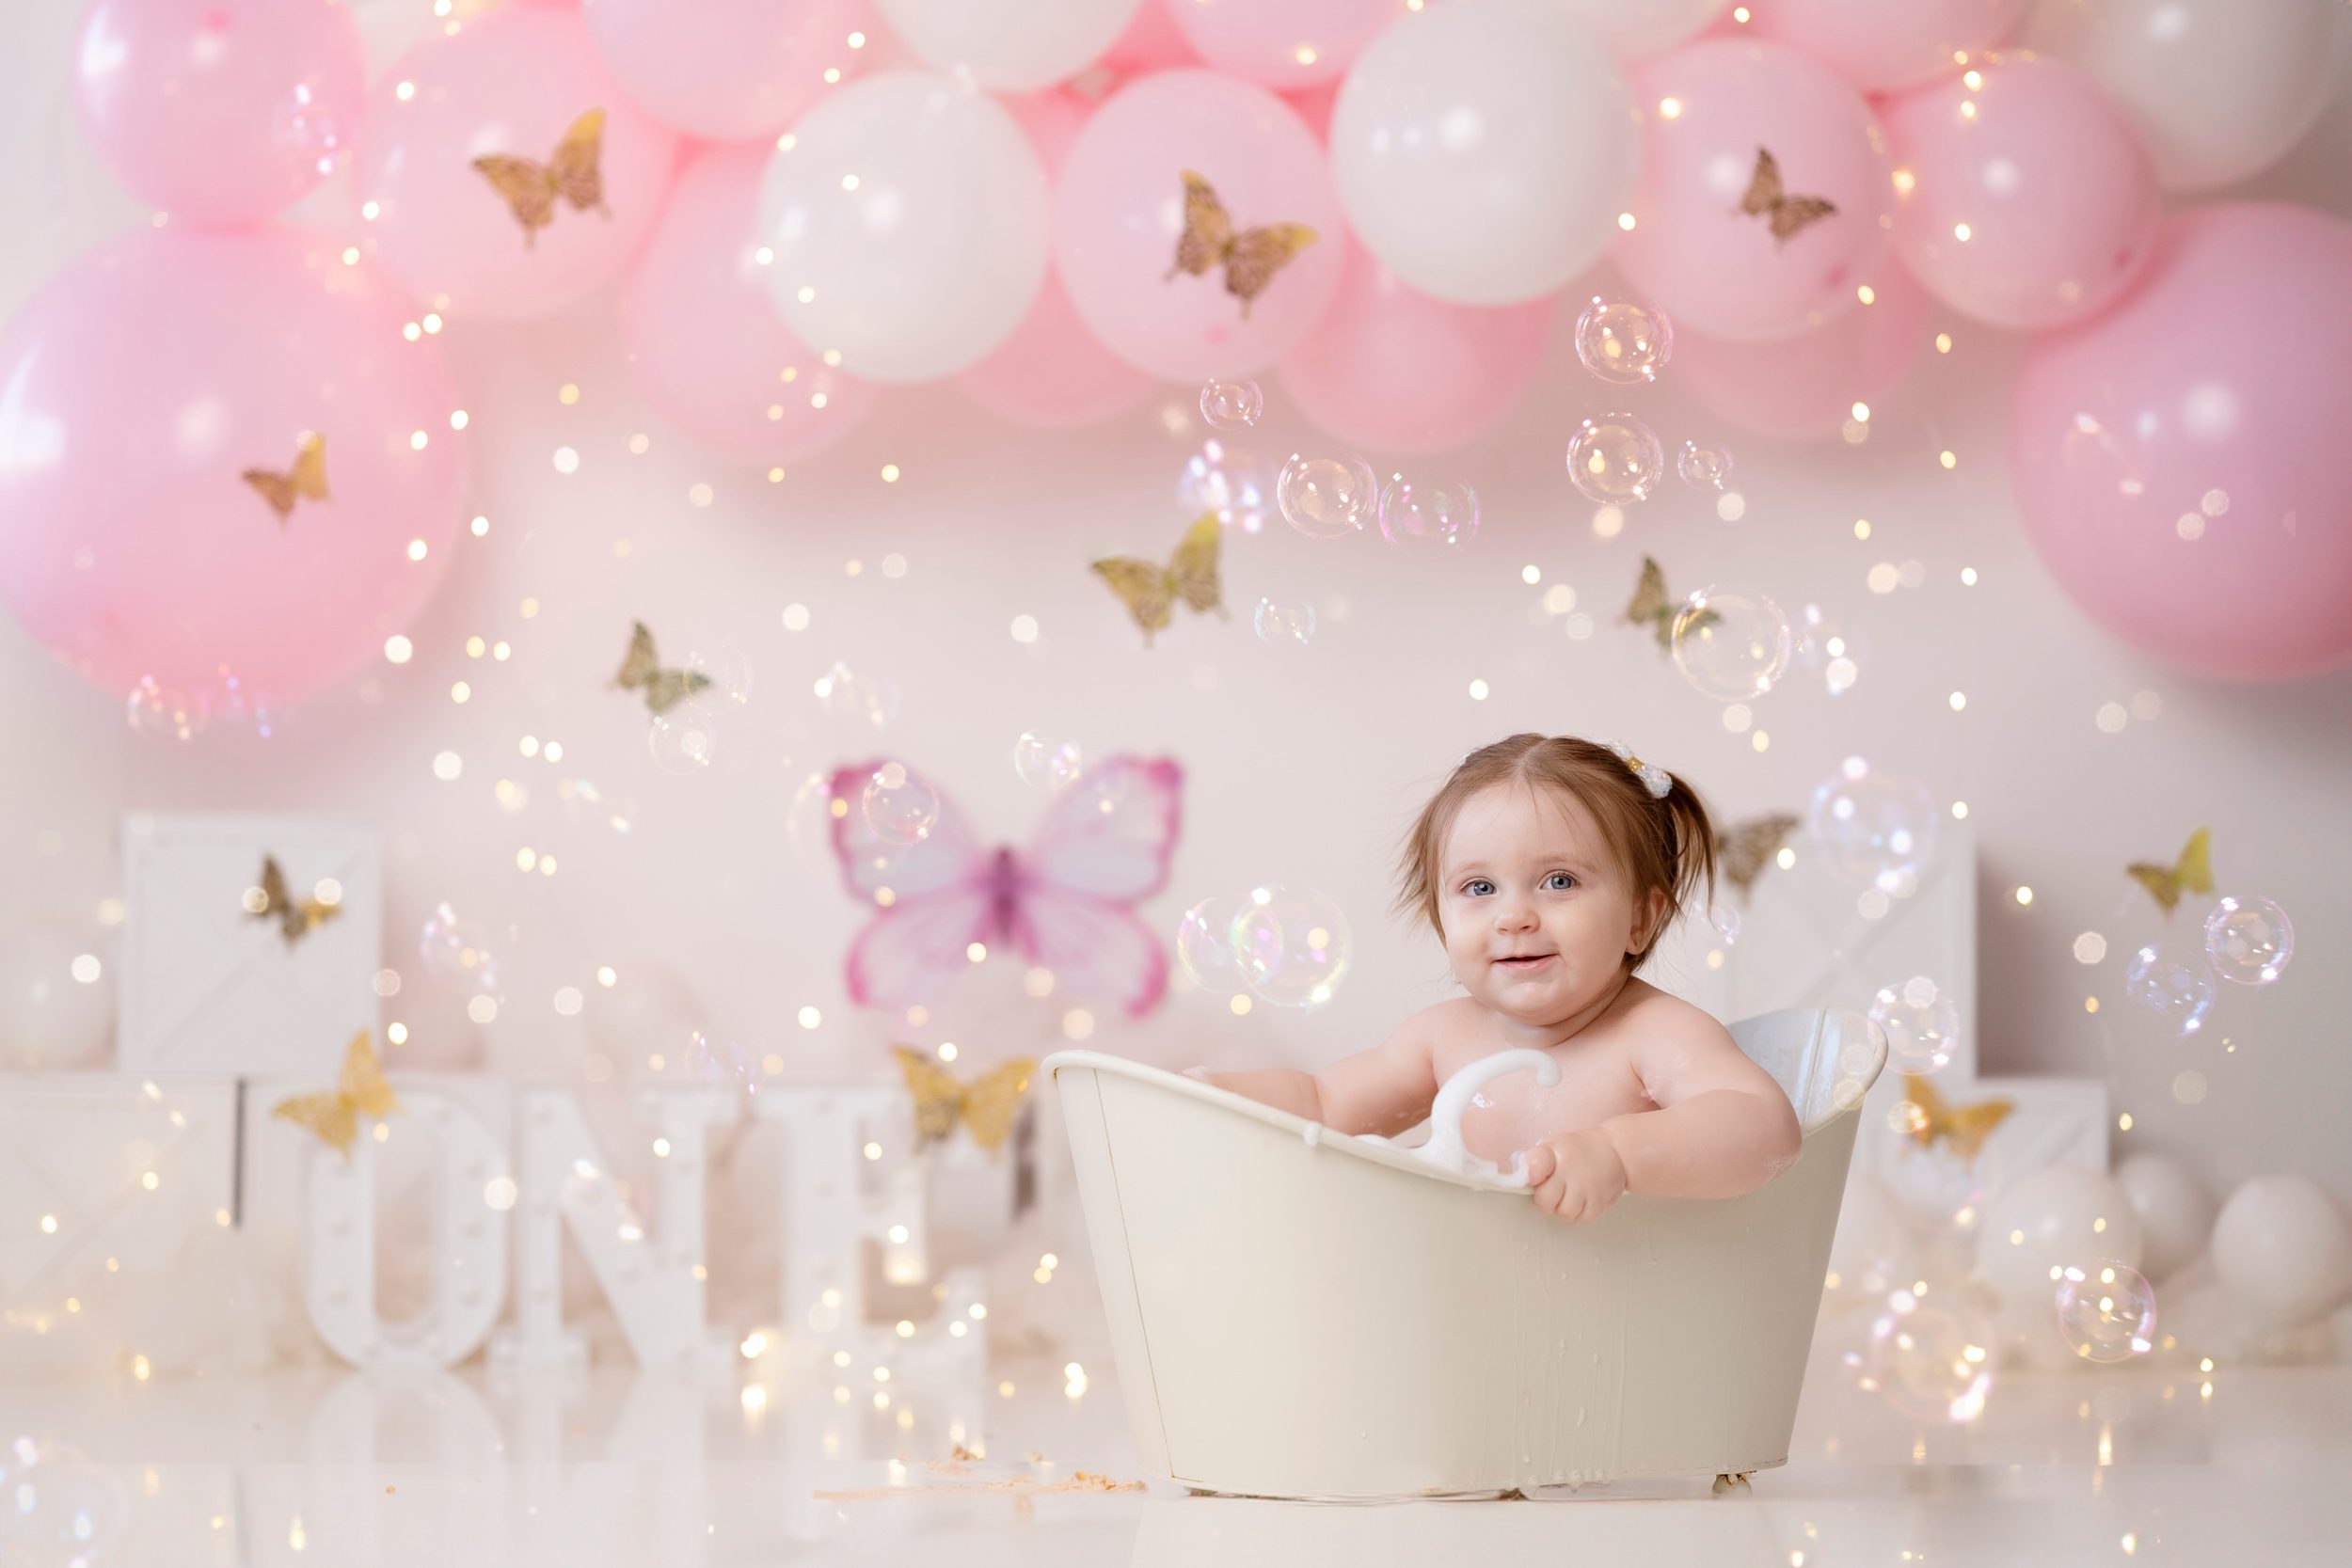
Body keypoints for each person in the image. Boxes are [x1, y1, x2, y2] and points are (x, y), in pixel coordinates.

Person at [1202, 732, 1802, 1224]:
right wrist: (1212, 1096)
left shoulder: (1656, 1035)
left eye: (1560, 881)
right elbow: (1323, 1104)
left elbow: (1763, 1127)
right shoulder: (1440, 1039)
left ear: (1640, 919)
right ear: (1440, 919)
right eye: (1479, 888)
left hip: (1612, 1325)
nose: (1514, 917)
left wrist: (1618, 1153)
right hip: (1470, 1315)